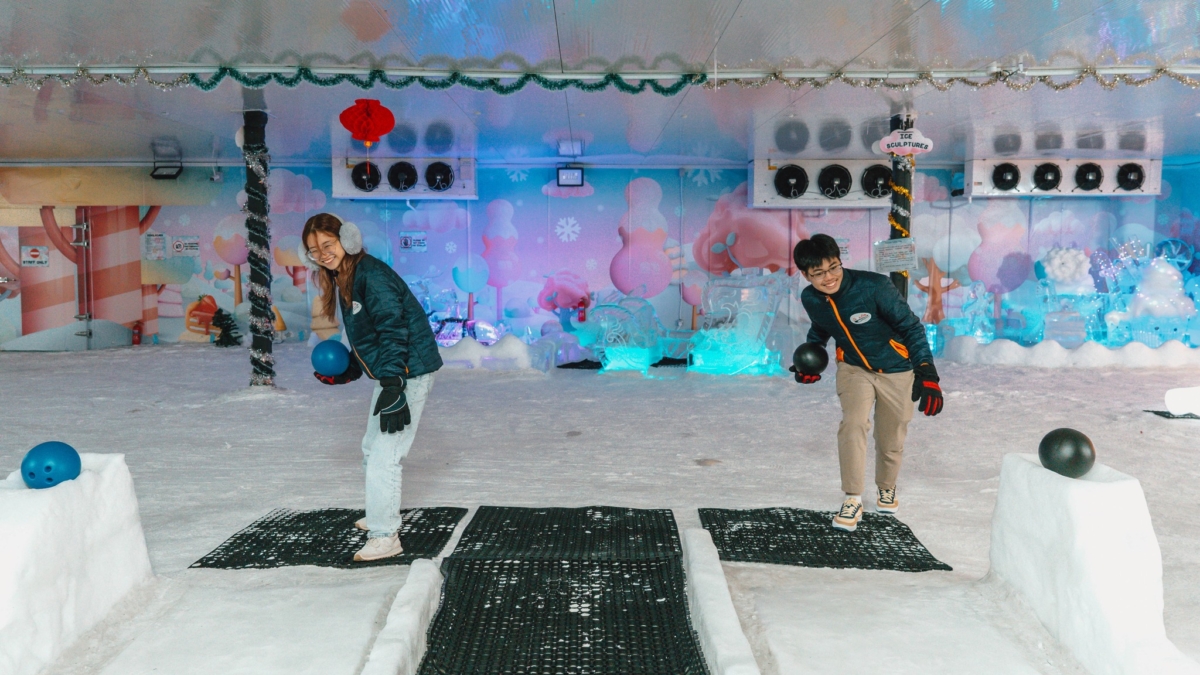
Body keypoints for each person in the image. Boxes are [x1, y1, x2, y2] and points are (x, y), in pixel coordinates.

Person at [300, 213, 443, 561]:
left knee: (385, 455)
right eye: (314, 250)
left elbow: (394, 330)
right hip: (393, 372)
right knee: (371, 447)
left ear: (347, 240)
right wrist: (348, 370)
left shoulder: (371, 275)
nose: (322, 254)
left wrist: (394, 384)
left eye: (328, 245)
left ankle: (385, 536)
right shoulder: (346, 277)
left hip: (409, 370)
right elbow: (370, 338)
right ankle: (381, 512)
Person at [792, 234, 943, 532]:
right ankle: (852, 497)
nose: (829, 277)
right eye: (818, 273)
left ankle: (886, 486)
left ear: (840, 262)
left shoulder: (874, 287)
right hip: (853, 368)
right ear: (805, 275)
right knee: (854, 423)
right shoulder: (810, 297)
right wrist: (811, 357)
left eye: (834, 267)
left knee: (891, 434)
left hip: (897, 369)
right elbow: (821, 327)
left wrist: (927, 373)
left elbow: (911, 328)